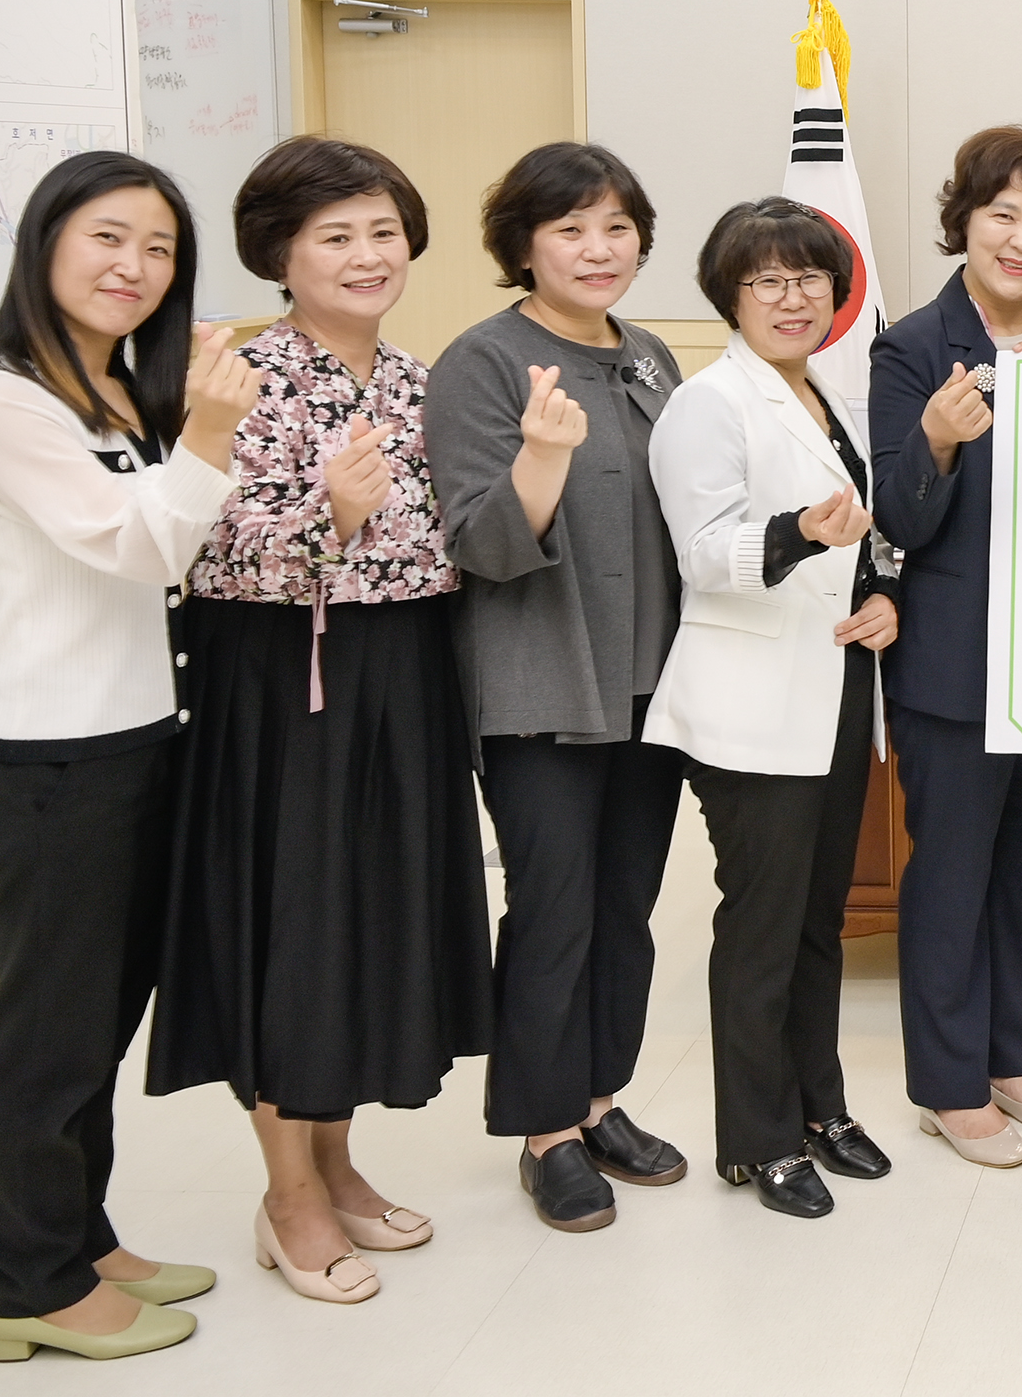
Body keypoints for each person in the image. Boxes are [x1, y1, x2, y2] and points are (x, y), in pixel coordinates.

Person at [146, 138, 493, 1303]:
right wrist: (329, 520)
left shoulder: (418, 377)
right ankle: (287, 1191)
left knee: (372, 917)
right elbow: (203, 553)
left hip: (405, 672)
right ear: (280, 253)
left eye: (383, 231)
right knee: (294, 926)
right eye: (335, 235)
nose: (367, 254)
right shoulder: (241, 376)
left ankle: (337, 1162)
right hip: (283, 682)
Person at [0, 152, 259, 1362]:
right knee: (49, 1031)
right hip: (53, 762)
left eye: (160, 248)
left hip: (129, 743)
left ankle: (82, 1235)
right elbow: (138, 546)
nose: (135, 266)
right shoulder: (0, 400)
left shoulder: (115, 387)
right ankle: (28, 1280)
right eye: (109, 237)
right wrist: (211, 432)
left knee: (100, 1021)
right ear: (47, 242)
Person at [425, 143, 691, 1233]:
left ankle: (598, 1100)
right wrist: (539, 456)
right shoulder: (483, 362)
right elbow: (478, 544)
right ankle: (545, 1133)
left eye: (618, 226)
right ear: (523, 245)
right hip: (541, 682)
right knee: (554, 905)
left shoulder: (651, 355)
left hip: (651, 680)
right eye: (571, 228)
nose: (598, 248)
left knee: (627, 904)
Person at [646, 198, 902, 1217]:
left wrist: (882, 595)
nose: (792, 298)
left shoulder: (827, 393)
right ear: (731, 295)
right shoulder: (707, 403)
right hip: (749, 706)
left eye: (810, 278)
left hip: (832, 687)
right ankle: (759, 1139)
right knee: (762, 927)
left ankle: (820, 1107)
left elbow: (864, 537)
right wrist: (799, 530)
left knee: (819, 921)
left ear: (838, 292)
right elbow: (704, 553)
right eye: (767, 281)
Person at [868, 127, 1022, 1168]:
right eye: (1003, 213)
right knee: (952, 876)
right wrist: (939, 437)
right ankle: (948, 1085)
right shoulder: (913, 345)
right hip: (954, 661)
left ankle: (1010, 1060)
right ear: (963, 219)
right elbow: (900, 518)